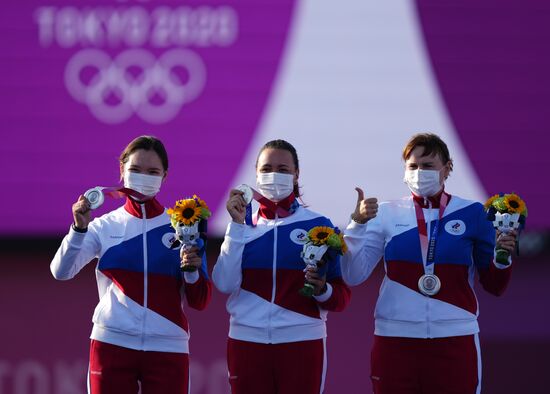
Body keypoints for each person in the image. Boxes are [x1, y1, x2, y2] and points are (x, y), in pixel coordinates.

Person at [342, 133, 517, 394]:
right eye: (412, 166)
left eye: (427, 166)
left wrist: (502, 259)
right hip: (395, 341)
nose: (419, 172)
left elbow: (494, 285)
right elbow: (353, 275)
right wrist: (356, 225)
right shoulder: (385, 214)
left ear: (446, 169)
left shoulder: (473, 214)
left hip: (455, 340)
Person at [50, 135, 212, 394]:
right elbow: (61, 271)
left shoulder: (184, 227)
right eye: (135, 170)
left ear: (164, 177)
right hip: (111, 343)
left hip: (168, 346)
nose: (143, 177)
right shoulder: (104, 226)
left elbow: (200, 301)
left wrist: (191, 273)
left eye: (152, 172)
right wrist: (78, 229)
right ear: (122, 171)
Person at [212, 139, 351, 394]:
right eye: (266, 169)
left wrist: (322, 290)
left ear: (297, 174)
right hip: (247, 341)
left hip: (302, 342)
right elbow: (224, 283)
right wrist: (236, 227)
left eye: (283, 169)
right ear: (255, 174)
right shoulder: (242, 227)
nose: (274, 175)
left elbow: (341, 297)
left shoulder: (320, 226)